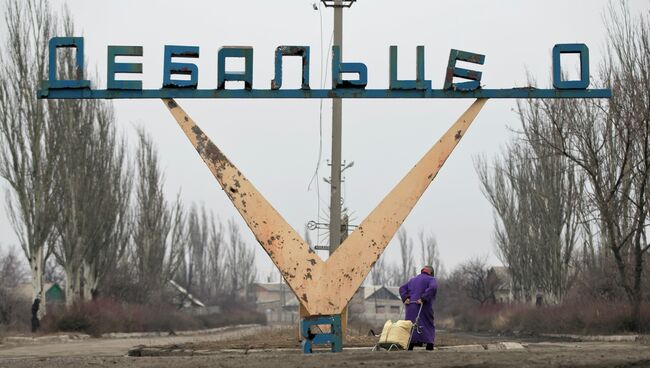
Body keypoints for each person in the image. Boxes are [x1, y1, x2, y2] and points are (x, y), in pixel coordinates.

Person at [399, 265, 437, 350]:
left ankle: (410, 345)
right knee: (428, 324)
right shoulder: (431, 279)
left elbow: (402, 288)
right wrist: (423, 298)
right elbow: (433, 287)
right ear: (431, 272)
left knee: (411, 324)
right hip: (423, 306)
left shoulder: (413, 280)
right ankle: (429, 345)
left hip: (410, 307)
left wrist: (405, 298)